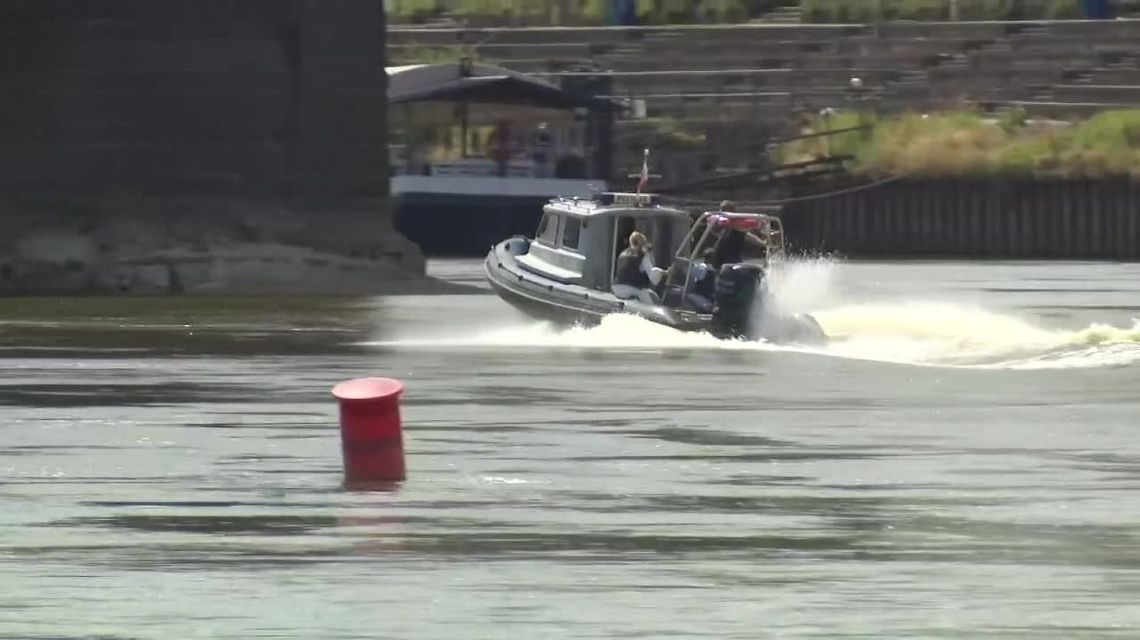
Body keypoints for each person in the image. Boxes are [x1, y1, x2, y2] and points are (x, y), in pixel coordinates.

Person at [613, 231, 666, 304]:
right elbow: (652, 275)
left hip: (617, 287)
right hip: (633, 288)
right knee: (653, 300)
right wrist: (663, 273)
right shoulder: (643, 255)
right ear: (643, 243)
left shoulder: (623, 254)